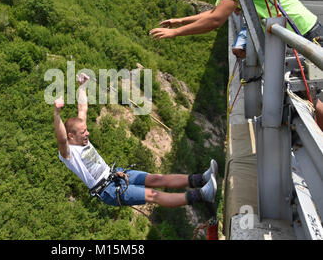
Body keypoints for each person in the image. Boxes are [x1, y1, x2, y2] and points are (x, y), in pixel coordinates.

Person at [150, 0, 323, 130]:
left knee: (310, 96)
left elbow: (216, 20)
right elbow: (213, 12)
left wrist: (175, 33)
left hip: (305, 35)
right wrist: (179, 21)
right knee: (305, 95)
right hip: (301, 32)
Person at [53, 73, 218, 209]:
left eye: (86, 130)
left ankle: (202, 179)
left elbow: (82, 109)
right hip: (107, 190)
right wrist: (57, 113)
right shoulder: (68, 153)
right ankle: (203, 195)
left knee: (157, 179)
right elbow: (60, 138)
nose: (87, 134)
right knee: (154, 195)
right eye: (83, 132)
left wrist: (82, 86)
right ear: (71, 136)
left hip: (114, 174)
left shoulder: (80, 137)